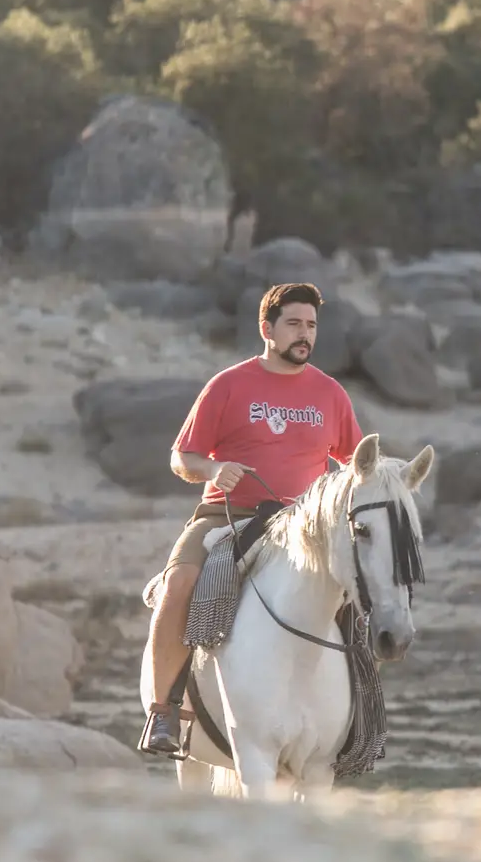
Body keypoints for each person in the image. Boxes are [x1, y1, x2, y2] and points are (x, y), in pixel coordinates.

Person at [137, 280, 363, 757]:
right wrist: (213, 469)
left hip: (304, 526)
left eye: (311, 325)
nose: (304, 334)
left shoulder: (330, 393)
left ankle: (358, 720)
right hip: (228, 516)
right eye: (294, 324)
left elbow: (355, 464)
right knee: (179, 584)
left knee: (364, 595)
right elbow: (182, 457)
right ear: (267, 328)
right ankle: (164, 712)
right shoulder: (229, 385)